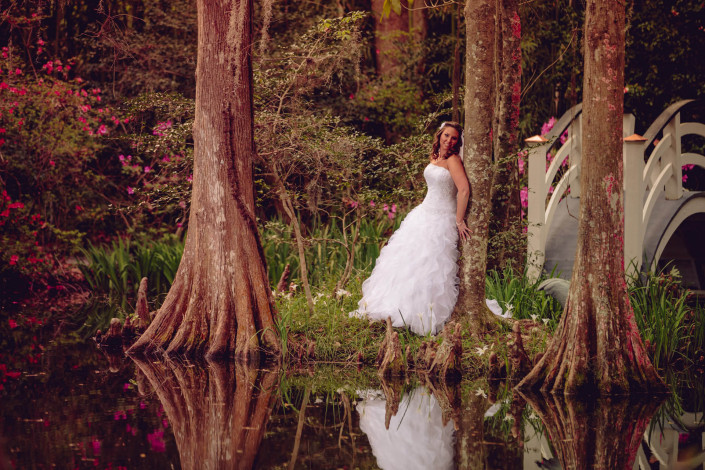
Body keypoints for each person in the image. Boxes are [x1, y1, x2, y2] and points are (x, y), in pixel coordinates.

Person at [353, 121, 503, 335]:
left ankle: (424, 316)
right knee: (408, 262)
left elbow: (463, 190)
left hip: (443, 218)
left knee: (433, 267)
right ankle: (397, 308)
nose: (449, 140)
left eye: (453, 138)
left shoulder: (453, 160)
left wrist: (459, 221)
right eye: (446, 135)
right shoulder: (435, 157)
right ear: (440, 134)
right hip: (424, 213)